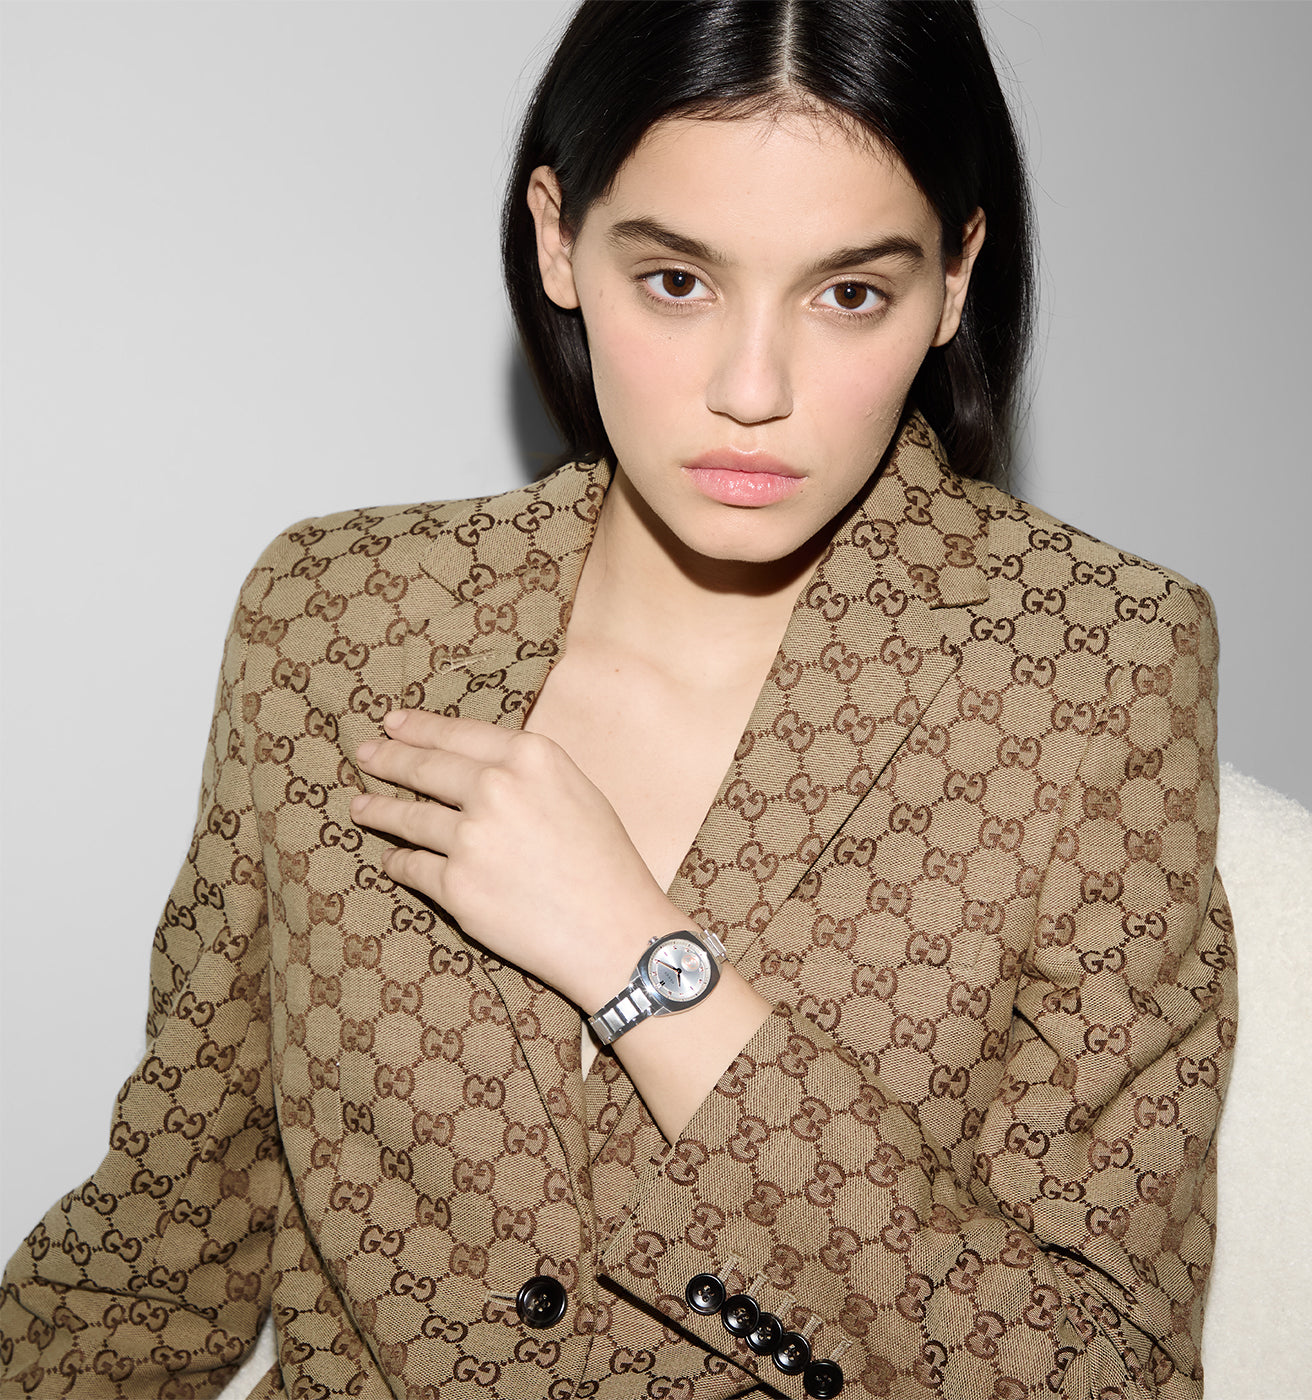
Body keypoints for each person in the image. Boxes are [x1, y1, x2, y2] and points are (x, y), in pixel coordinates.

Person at [0, 2, 1235, 1397]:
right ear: (556, 239)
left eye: (850, 294)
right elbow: (161, 1242)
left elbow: (1100, 1374)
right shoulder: (337, 622)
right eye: (677, 282)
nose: (752, 391)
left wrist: (651, 968)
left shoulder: (1096, 673)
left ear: (955, 279)